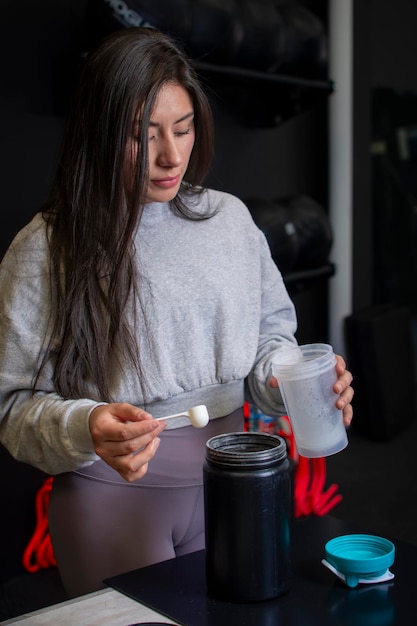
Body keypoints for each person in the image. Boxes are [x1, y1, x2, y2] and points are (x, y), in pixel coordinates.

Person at [0, 26, 353, 597]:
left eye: (184, 129)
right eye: (144, 136)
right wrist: (86, 425)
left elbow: (269, 341)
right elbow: (12, 407)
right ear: (98, 132)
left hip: (238, 483)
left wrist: (294, 383)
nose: (171, 155)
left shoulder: (230, 221)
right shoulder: (47, 248)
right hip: (114, 496)